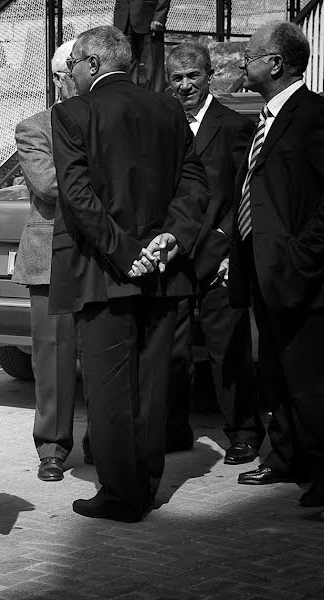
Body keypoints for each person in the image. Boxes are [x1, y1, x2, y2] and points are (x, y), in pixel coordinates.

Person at [50, 26, 209, 522]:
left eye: (74, 63)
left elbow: (78, 198)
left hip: (105, 272)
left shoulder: (73, 113)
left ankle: (121, 494)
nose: (70, 73)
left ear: (93, 64)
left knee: (110, 388)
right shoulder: (167, 109)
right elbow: (195, 182)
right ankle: (146, 483)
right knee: (153, 383)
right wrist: (171, 238)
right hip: (163, 270)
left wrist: (127, 253)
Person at [228, 22, 324, 508]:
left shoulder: (314, 114)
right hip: (259, 269)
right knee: (277, 372)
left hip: (301, 276)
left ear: (277, 63)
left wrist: (302, 255)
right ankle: (286, 456)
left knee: (310, 378)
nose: (244, 63)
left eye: (250, 55)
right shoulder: (261, 120)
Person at [164, 42, 262, 464]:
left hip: (221, 254)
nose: (185, 85)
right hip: (175, 256)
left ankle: (243, 432)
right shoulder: (162, 125)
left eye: (193, 76)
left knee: (228, 349)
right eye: (177, 78)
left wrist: (230, 249)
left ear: (209, 76)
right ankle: (173, 429)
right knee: (173, 350)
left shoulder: (235, 126)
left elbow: (246, 192)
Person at [13, 39, 83, 483]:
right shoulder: (35, 127)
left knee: (104, 356)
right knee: (52, 358)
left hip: (105, 253)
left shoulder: (109, 121)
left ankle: (104, 441)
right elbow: (48, 184)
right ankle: (52, 448)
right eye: (74, 70)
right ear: (60, 78)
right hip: (51, 256)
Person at [113, 0, 170, 93]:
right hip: (124, 18)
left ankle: (155, 100)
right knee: (126, 63)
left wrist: (159, 17)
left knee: (153, 64)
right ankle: (129, 97)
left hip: (149, 17)